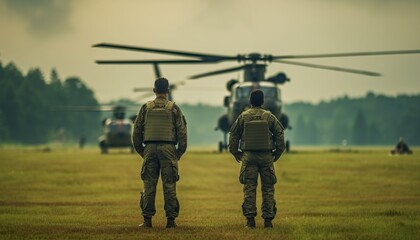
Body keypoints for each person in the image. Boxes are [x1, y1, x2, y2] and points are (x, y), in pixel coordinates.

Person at [132, 77, 187, 228]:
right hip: (168, 149)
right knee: (169, 185)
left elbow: (136, 132)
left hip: (149, 148)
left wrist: (142, 151)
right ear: (168, 91)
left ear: (154, 90)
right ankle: (170, 220)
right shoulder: (174, 108)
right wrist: (179, 152)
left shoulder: (145, 108)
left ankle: (147, 220)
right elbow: (182, 132)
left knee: (149, 185)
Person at [229, 89, 285, 228]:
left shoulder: (244, 116)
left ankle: (250, 221)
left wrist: (235, 152)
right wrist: (277, 153)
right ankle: (268, 221)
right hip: (266, 156)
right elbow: (280, 134)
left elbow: (233, 134)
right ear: (262, 101)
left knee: (249, 188)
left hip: (249, 156)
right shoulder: (269, 116)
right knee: (268, 189)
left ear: (250, 102)